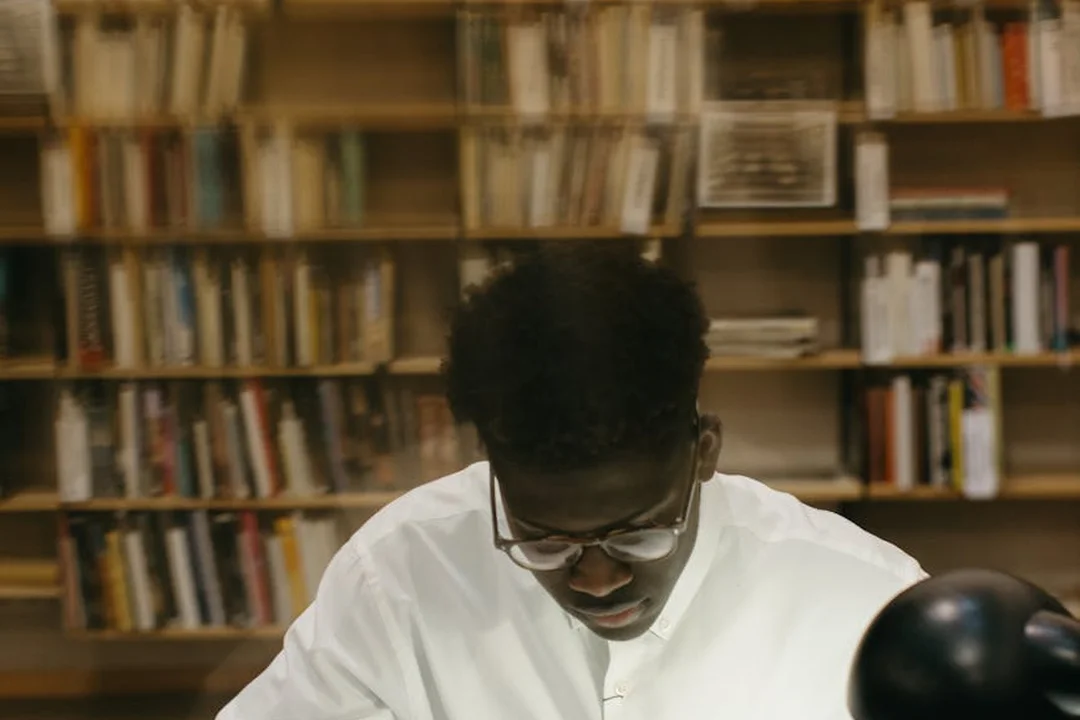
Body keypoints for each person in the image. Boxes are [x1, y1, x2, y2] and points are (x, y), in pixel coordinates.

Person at [217, 243, 926, 720]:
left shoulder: (865, 603)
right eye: (543, 539)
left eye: (639, 532)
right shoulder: (399, 577)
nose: (593, 578)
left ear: (704, 452)